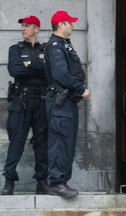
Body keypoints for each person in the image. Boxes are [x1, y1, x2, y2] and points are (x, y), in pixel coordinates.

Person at [1, 15, 49, 195]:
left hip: (42, 100)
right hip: (21, 100)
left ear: (36, 29)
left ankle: (42, 182)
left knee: (42, 141)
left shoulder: (47, 49)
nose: (23, 29)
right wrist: (36, 67)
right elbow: (15, 70)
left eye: (27, 26)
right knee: (16, 141)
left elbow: (48, 72)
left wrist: (29, 65)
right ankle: (9, 182)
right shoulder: (15, 49)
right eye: (22, 26)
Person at [44, 10, 90, 198]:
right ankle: (57, 182)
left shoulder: (63, 44)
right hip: (60, 103)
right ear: (61, 24)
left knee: (67, 141)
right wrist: (80, 89)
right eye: (69, 23)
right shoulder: (56, 46)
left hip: (66, 102)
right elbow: (61, 74)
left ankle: (62, 181)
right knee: (60, 141)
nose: (72, 25)